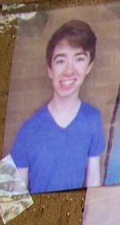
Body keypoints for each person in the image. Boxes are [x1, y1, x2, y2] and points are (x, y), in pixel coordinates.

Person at [11, 19, 105, 193]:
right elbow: (12, 200)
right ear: (50, 69)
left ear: (89, 66)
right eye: (60, 61)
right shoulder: (27, 129)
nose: (69, 70)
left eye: (79, 59)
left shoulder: (93, 119)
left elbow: (94, 184)